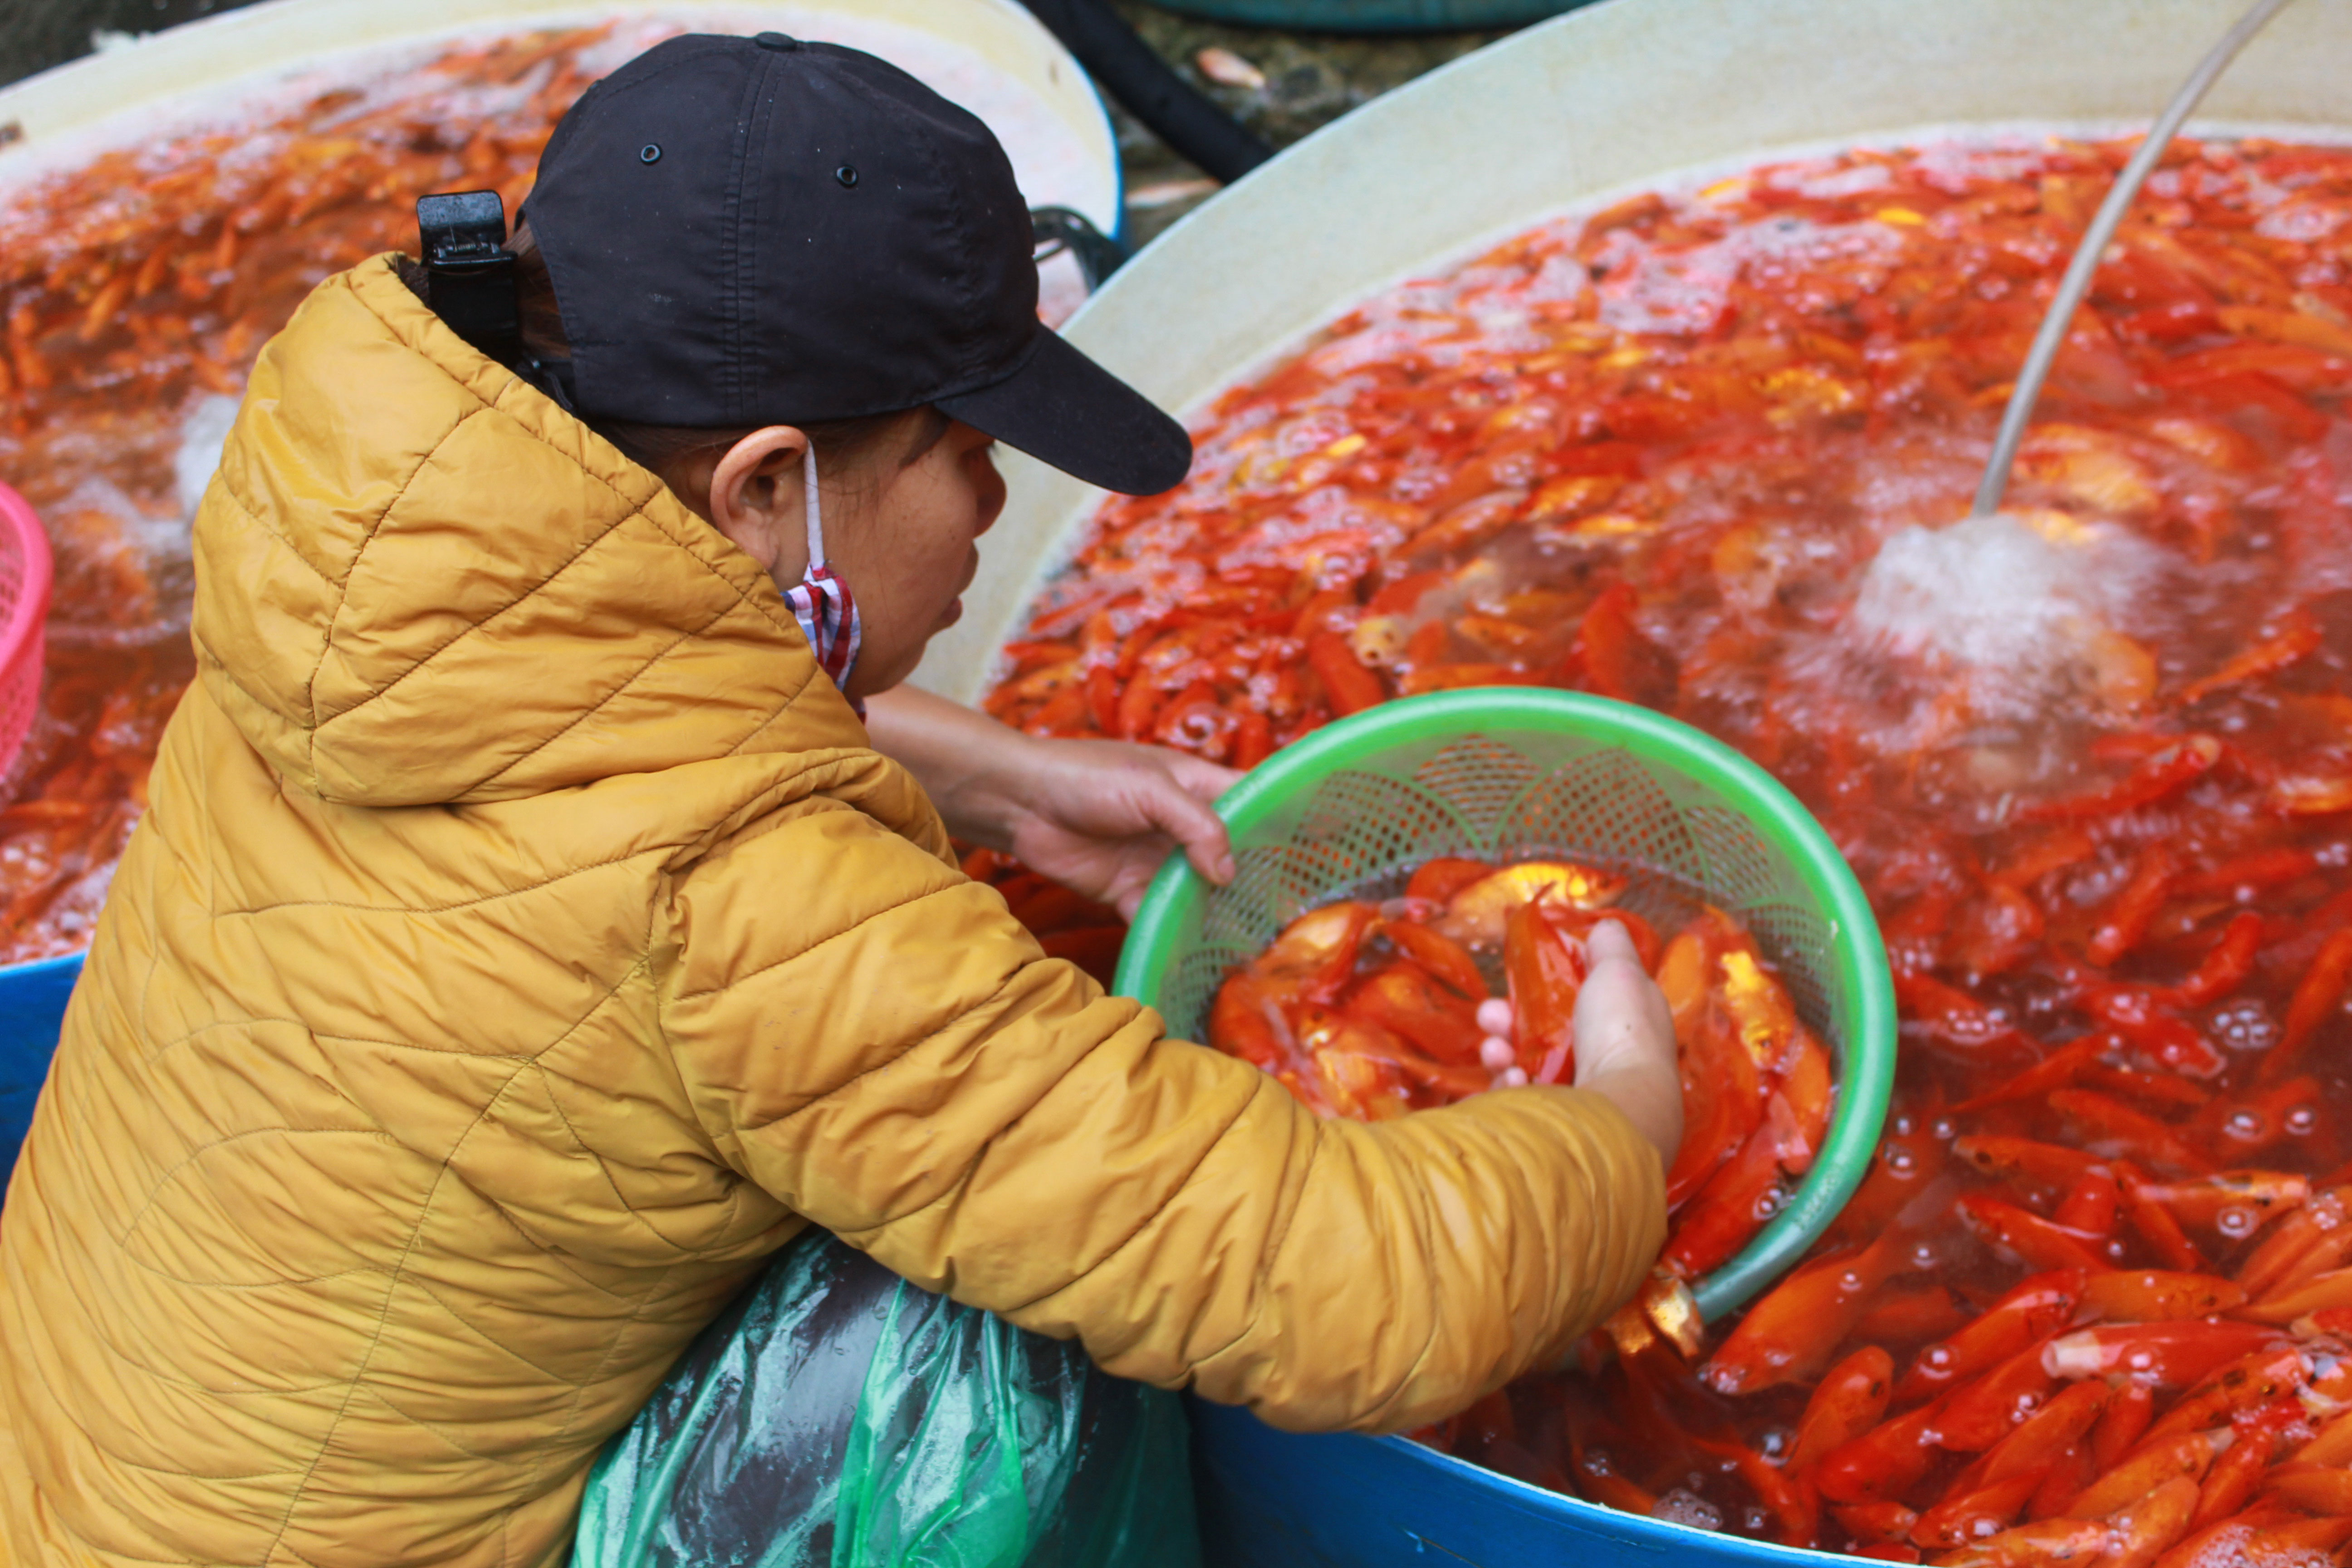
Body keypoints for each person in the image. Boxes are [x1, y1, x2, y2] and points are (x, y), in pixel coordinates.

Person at [0, 32, 1682, 1568]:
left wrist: (996, 775)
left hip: (70, 1489)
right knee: (1000, 1340)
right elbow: (1343, 1285)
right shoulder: (751, 910)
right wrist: (1626, 1120)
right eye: (961, 444)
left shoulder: (340, 605)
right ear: (766, 489)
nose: (990, 496)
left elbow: (584, 747)